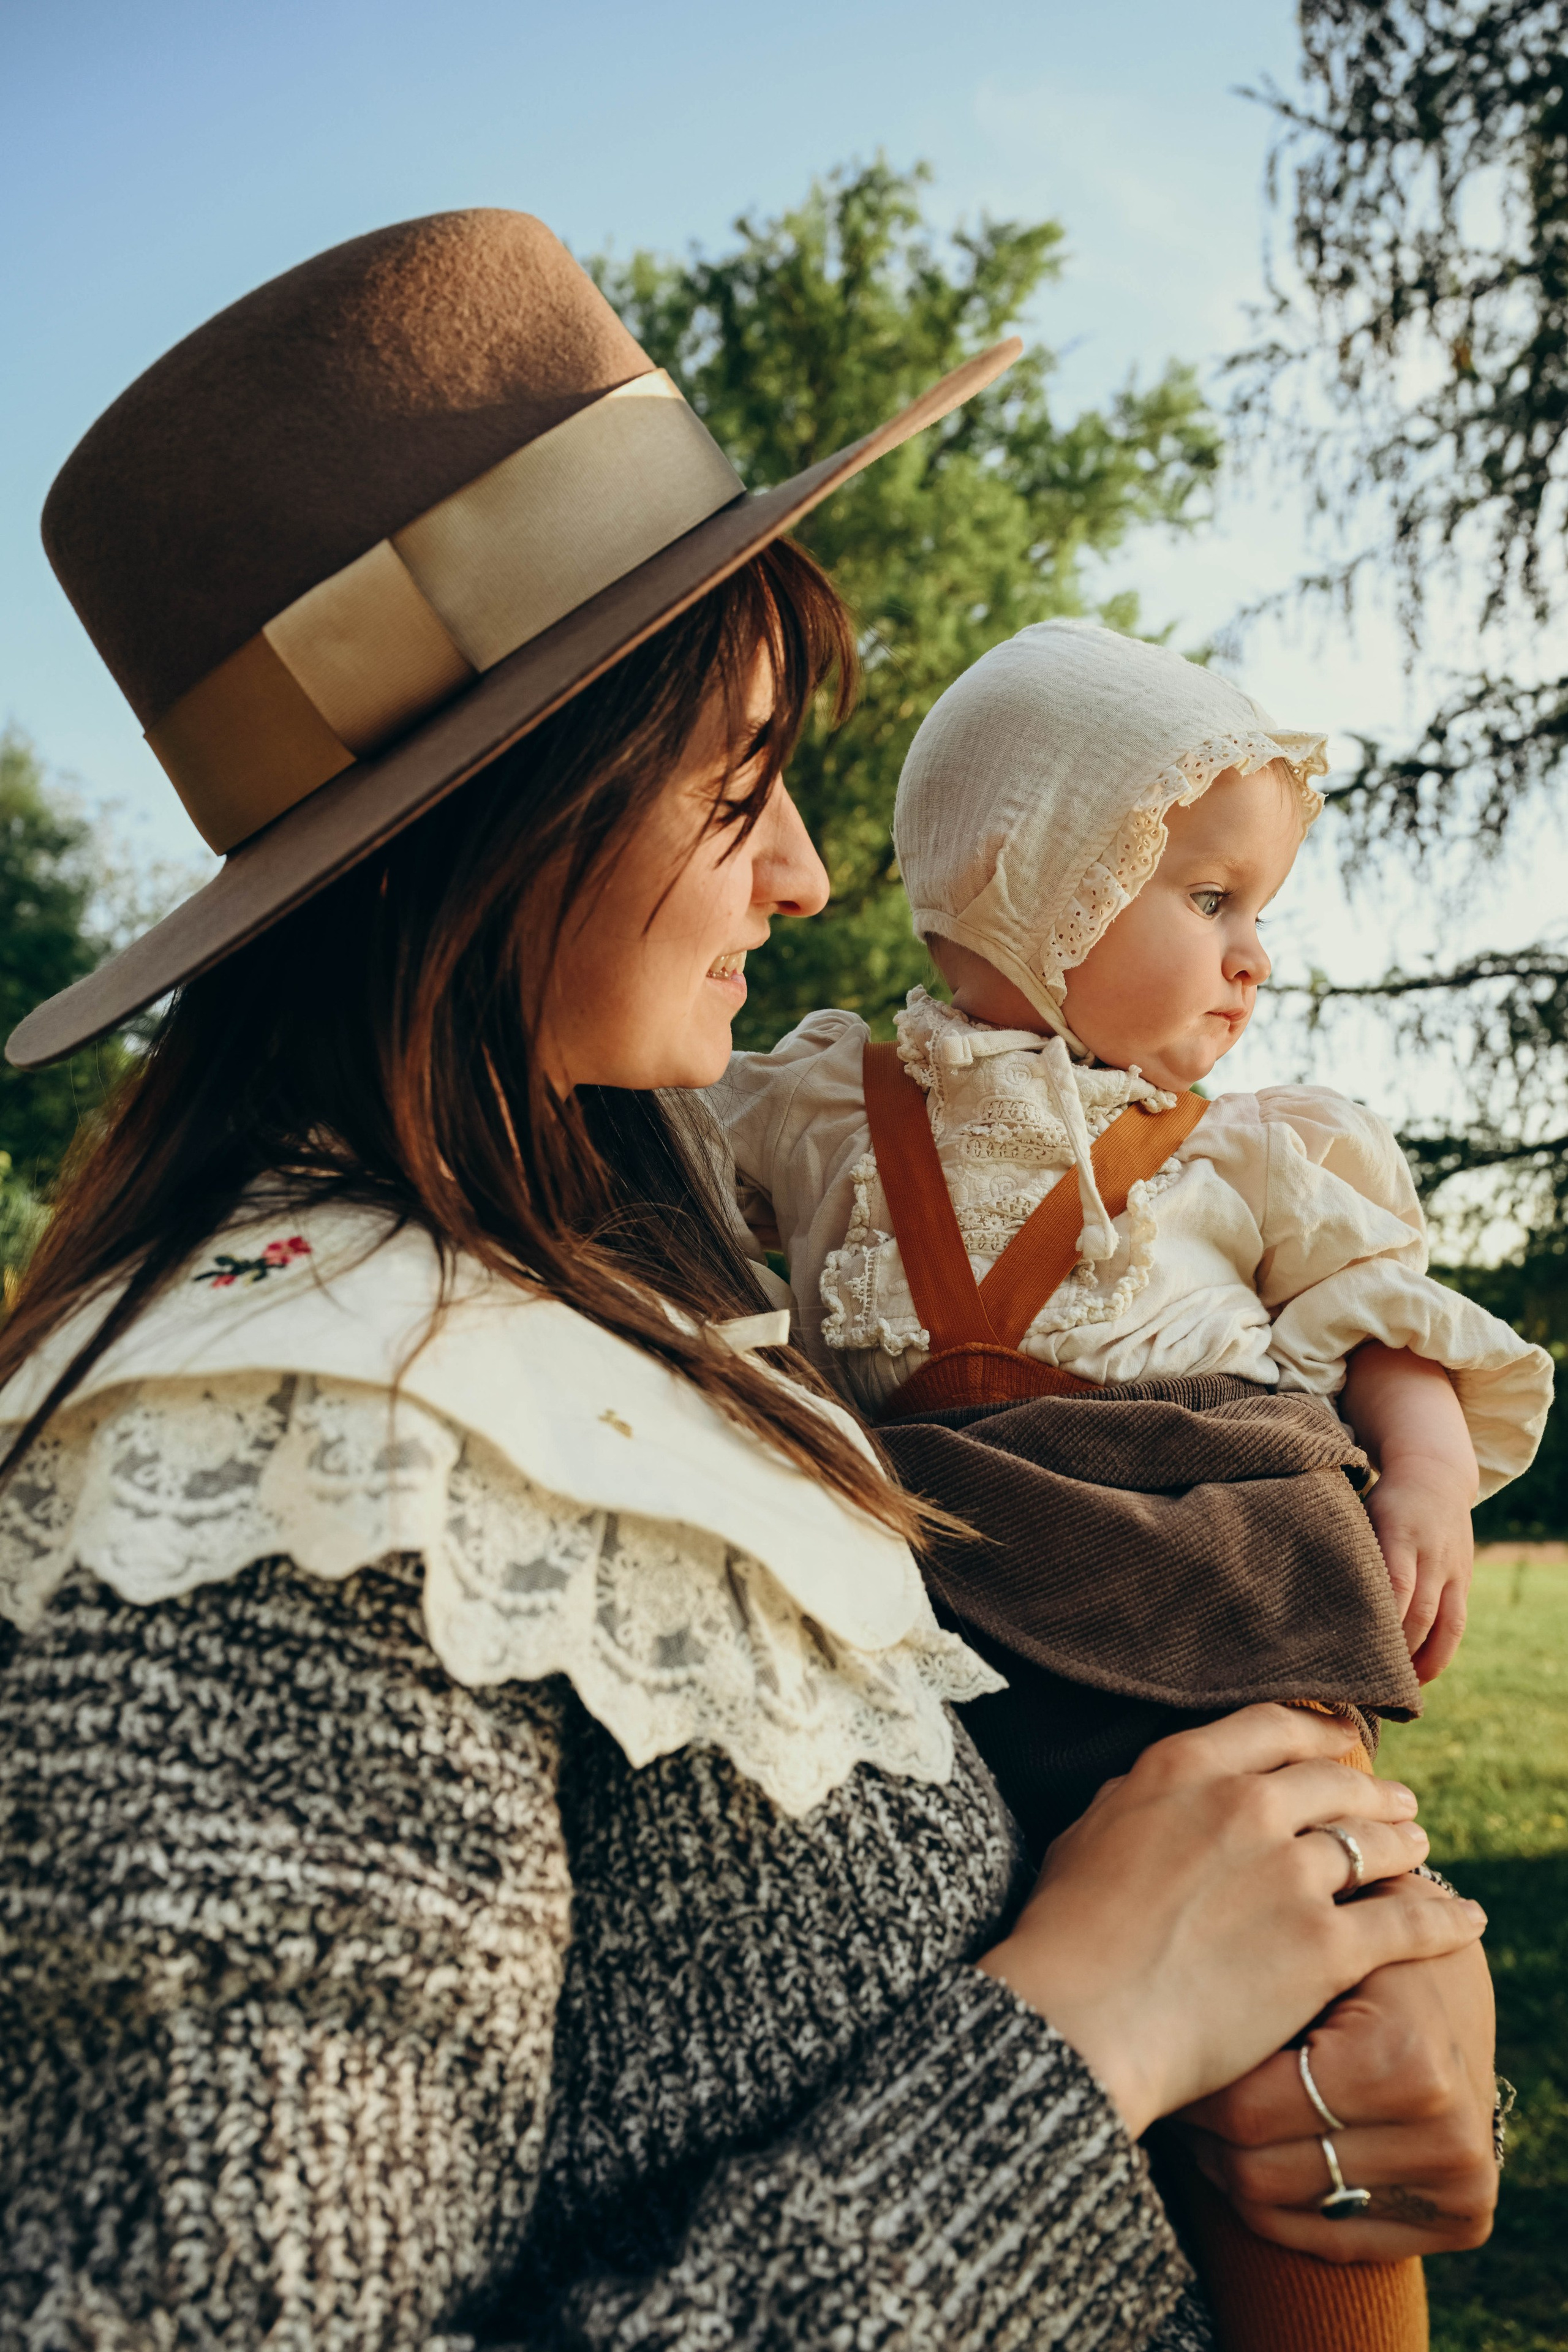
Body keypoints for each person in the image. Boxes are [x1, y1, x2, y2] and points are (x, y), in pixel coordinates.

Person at [0, 215, 1499, 2352]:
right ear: (506, 820)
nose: (805, 874)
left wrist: (1331, 2028)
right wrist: (1088, 2040)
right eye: (743, 783)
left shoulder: (649, 1293)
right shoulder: (285, 1465)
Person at [710, 619, 1548, 2347]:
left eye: (1262, 912)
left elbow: (1378, 1319)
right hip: (964, 1595)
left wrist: (1421, 1476)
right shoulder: (823, 1106)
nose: (1255, 959)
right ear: (1032, 880)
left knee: (1318, 2027)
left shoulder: (1250, 1144)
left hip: (1216, 1590)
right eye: (1212, 898)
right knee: (1016, 1955)